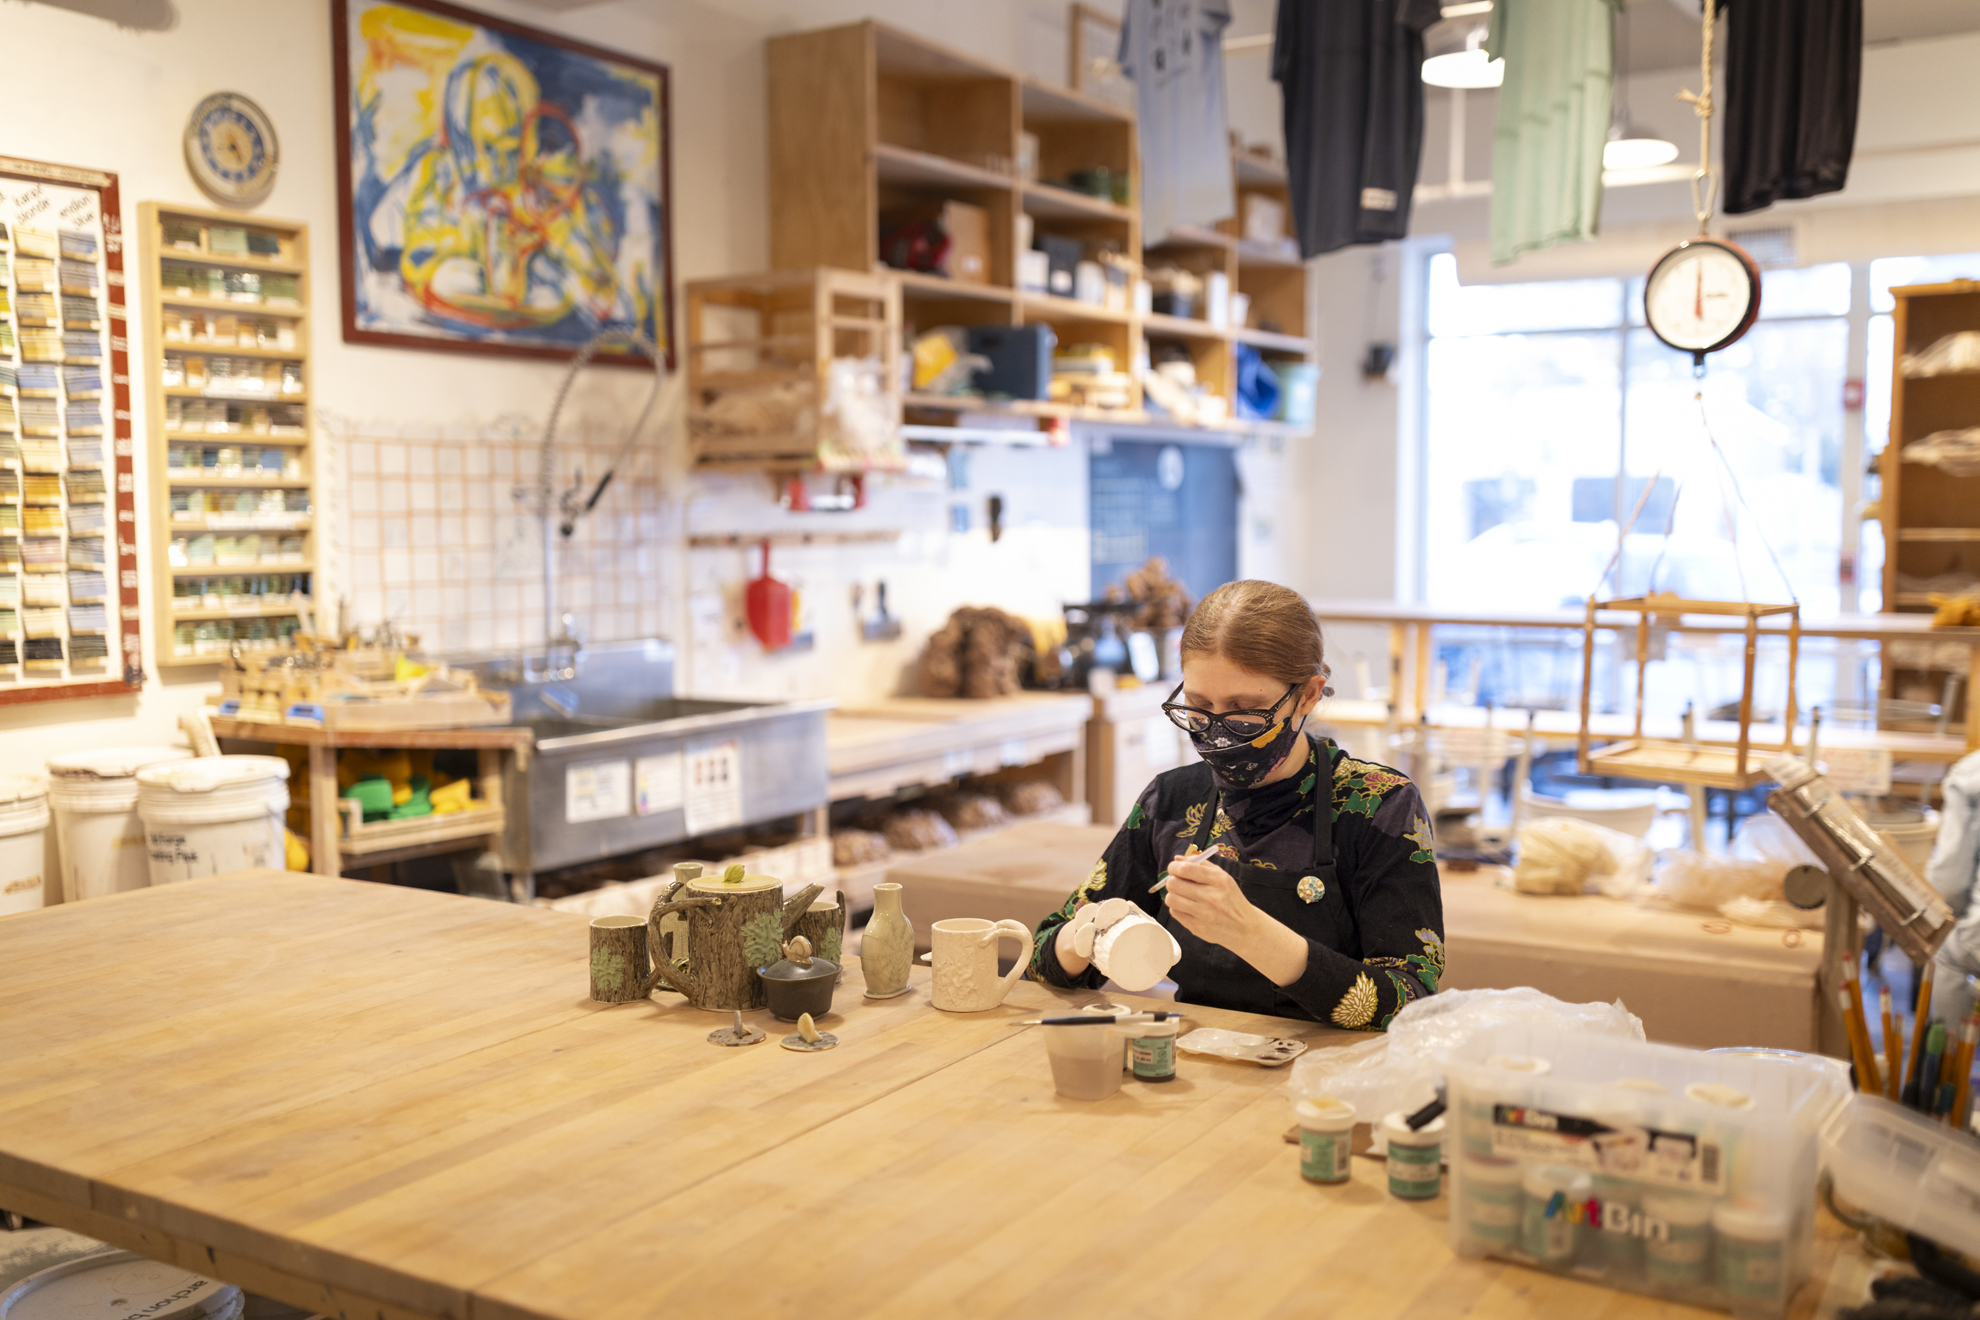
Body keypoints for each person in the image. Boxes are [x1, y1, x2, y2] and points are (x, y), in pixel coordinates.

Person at [1030, 579, 1445, 1029]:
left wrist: (1250, 932)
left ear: (1307, 694)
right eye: (1199, 705)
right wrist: (1084, 938)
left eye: (1245, 709)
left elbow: (1409, 1003)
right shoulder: (1171, 801)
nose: (1218, 731)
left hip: (1329, 1084)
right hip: (1197, 1067)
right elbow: (1043, 961)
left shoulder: (1379, 806)